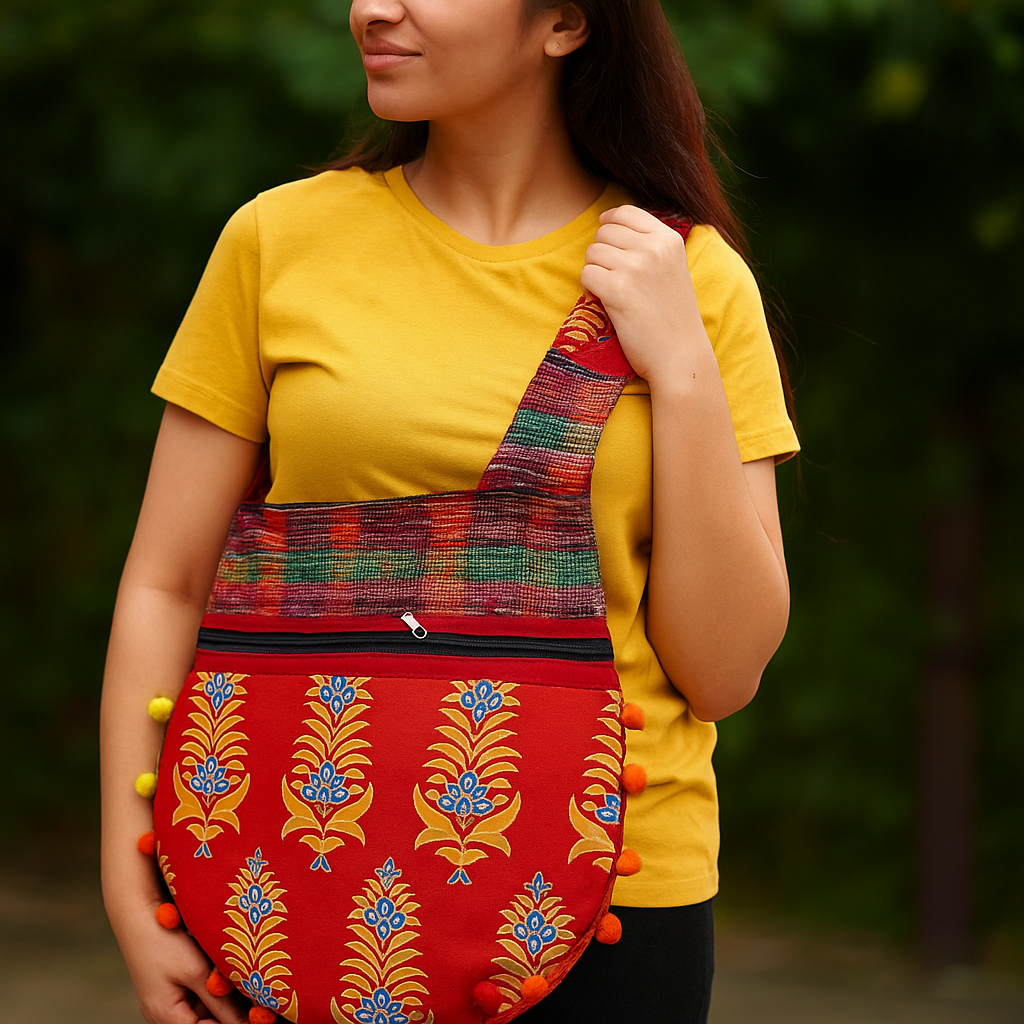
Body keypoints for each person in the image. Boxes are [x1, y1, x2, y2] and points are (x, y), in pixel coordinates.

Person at [100, 2, 799, 1022]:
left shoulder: (686, 278)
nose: (373, 10)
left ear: (564, 24)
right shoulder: (278, 242)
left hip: (614, 911)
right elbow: (167, 586)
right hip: (290, 899)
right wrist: (132, 885)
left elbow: (724, 672)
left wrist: (682, 365)